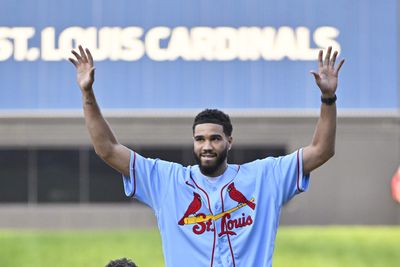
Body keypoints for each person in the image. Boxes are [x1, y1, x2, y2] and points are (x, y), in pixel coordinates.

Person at [69, 45, 344, 267]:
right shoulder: (167, 181)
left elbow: (322, 150)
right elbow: (107, 149)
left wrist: (328, 99)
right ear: (193, 143)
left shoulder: (264, 177)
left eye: (215, 138)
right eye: (200, 139)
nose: (207, 146)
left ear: (229, 141)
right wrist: (87, 92)